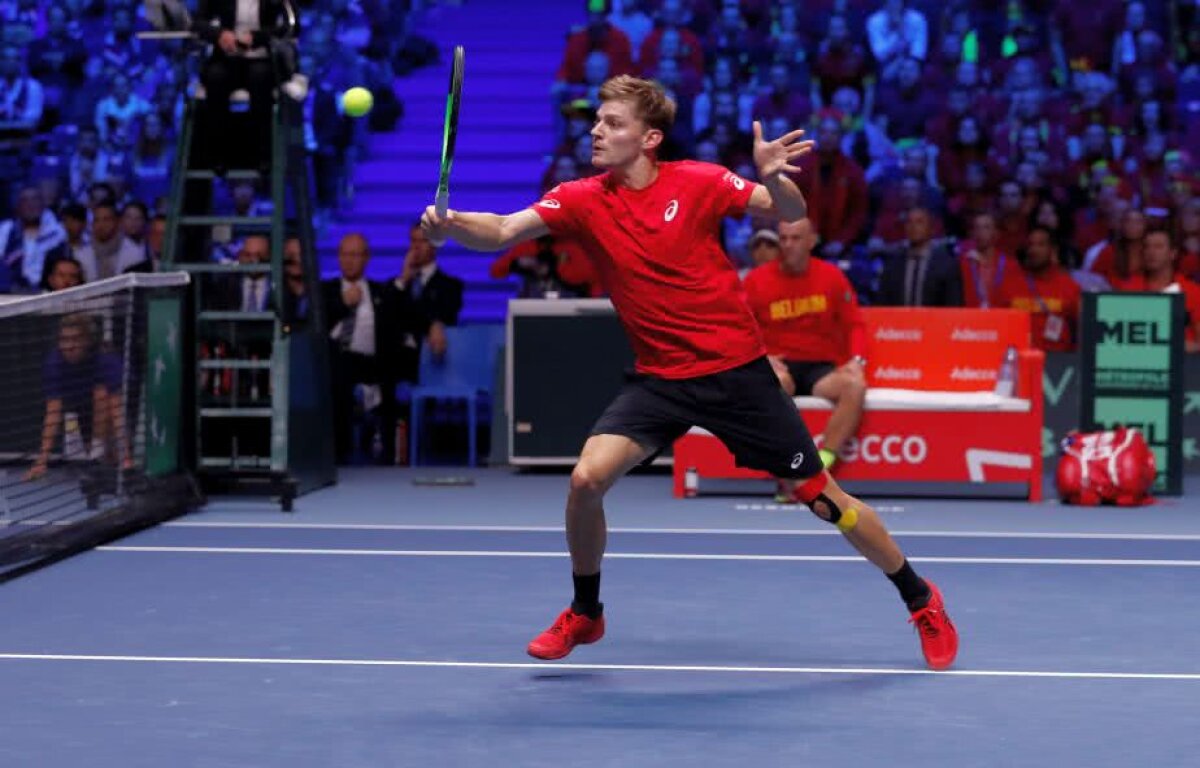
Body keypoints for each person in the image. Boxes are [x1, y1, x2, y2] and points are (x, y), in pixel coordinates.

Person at [421, 75, 958, 670]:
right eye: (597, 121)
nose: (596, 131)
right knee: (586, 481)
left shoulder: (699, 181)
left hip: (737, 375)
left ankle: (920, 597)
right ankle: (586, 612)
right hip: (660, 380)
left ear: (649, 138)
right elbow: (501, 230)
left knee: (823, 500)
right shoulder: (580, 198)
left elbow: (788, 210)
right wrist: (453, 223)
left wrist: (774, 177)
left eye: (613, 123)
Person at [743, 218, 868, 500]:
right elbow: (739, 328)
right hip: (780, 364)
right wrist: (761, 357)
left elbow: (855, 325)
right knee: (773, 385)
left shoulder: (832, 277)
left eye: (796, 238)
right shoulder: (756, 280)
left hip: (820, 368)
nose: (788, 245)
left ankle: (820, 466)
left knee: (855, 386)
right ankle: (789, 472)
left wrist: (857, 360)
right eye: (783, 238)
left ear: (812, 241)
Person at [26, 314, 125, 481]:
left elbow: (117, 409)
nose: (69, 346)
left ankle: (104, 454)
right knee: (102, 459)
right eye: (64, 340)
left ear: (88, 341)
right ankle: (99, 456)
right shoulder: (54, 363)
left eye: (76, 339)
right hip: (81, 409)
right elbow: (53, 412)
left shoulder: (106, 359)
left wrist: (126, 459)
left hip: (120, 406)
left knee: (101, 394)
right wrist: (41, 460)